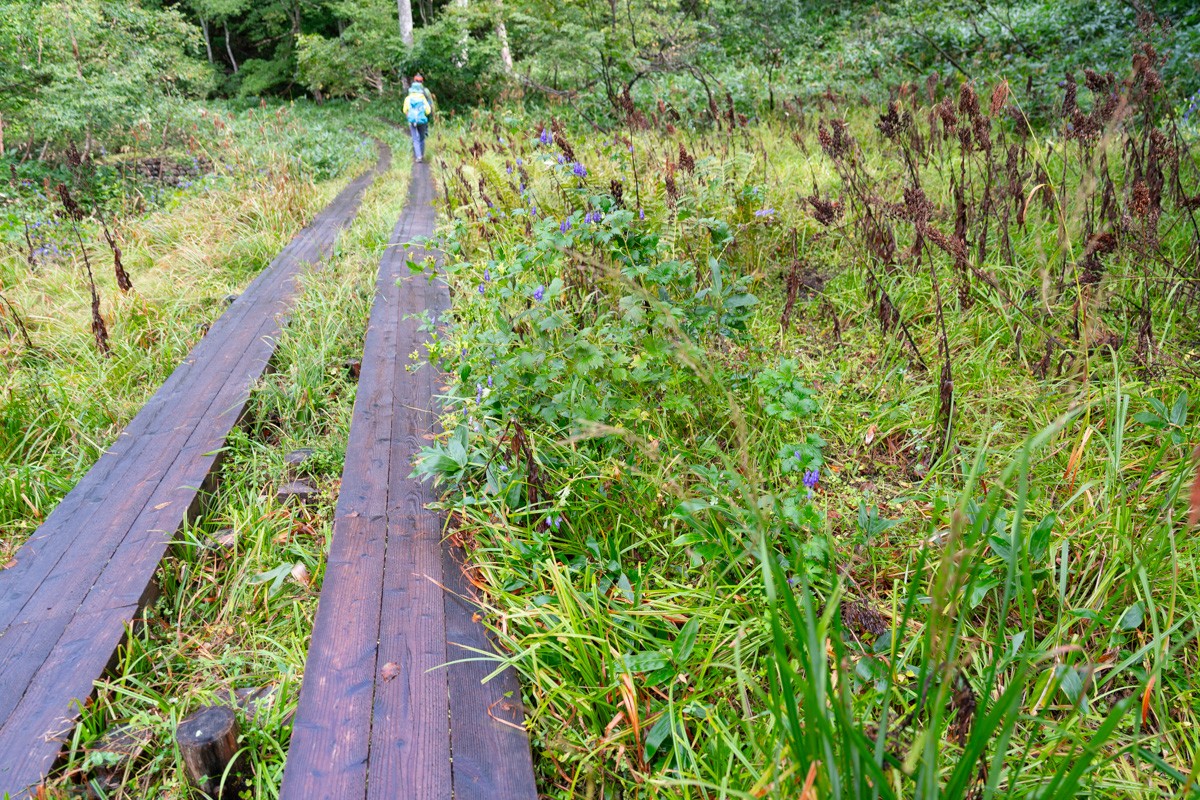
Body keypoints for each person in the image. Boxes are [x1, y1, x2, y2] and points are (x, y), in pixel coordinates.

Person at [403, 75, 435, 163]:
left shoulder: (408, 98)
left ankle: (418, 156)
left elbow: (405, 110)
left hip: (412, 120)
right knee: (422, 138)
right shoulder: (424, 95)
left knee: (415, 139)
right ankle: (422, 154)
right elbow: (428, 111)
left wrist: (410, 117)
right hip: (422, 120)